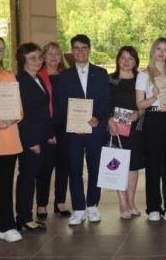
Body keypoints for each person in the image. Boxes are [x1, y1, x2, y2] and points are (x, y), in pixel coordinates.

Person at [55, 34, 111, 225]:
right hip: (73, 132)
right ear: (72, 51)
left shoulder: (102, 73)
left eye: (84, 47)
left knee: (96, 167)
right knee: (74, 169)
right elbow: (60, 105)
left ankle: (93, 205)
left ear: (89, 49)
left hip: (96, 129)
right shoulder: (64, 77)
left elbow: (106, 100)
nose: (80, 51)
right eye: (76, 48)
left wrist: (97, 117)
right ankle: (79, 208)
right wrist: (73, 124)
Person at [136, 38, 166, 221]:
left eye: (165, 50)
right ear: (153, 51)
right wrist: (153, 97)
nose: (161, 53)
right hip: (152, 120)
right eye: (159, 49)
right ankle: (153, 207)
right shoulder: (144, 75)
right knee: (153, 165)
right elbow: (139, 104)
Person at [0, 36, 23, 247]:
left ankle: (6, 226)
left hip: (6, 136)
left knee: (4, 184)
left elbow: (19, 110)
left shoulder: (9, 76)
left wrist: (8, 120)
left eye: (0, 49)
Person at [15, 43, 51, 232]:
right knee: (27, 177)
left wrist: (49, 135)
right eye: (32, 58)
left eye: (39, 57)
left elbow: (41, 111)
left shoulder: (36, 78)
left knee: (31, 176)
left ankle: (24, 216)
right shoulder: (20, 81)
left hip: (41, 137)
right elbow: (22, 115)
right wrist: (31, 142)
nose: (38, 61)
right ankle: (24, 218)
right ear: (23, 61)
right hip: (30, 140)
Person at [107, 46, 143, 219]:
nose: (126, 61)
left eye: (130, 58)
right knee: (118, 165)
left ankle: (131, 201)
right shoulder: (110, 80)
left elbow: (145, 103)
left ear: (135, 61)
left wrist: (140, 113)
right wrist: (109, 121)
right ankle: (122, 202)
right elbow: (104, 103)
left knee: (133, 166)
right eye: (123, 58)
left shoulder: (141, 80)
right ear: (118, 60)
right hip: (115, 127)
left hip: (135, 127)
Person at [36, 42, 70, 219]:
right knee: (45, 167)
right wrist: (48, 133)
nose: (54, 57)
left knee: (64, 166)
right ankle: (41, 204)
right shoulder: (37, 76)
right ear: (44, 56)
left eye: (57, 54)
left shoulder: (67, 76)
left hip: (66, 127)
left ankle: (60, 202)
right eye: (50, 54)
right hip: (46, 128)